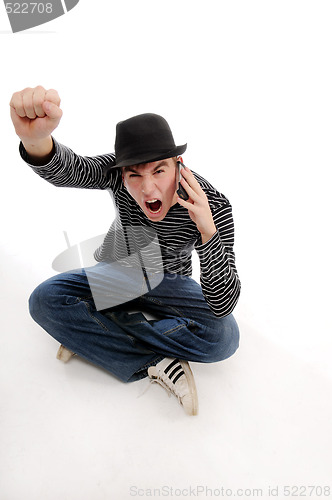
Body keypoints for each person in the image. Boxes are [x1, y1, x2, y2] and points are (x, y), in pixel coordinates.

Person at [10, 85, 241, 416]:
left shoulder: (213, 205)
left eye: (159, 170)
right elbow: (71, 168)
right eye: (135, 175)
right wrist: (35, 141)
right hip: (121, 272)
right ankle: (154, 360)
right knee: (44, 300)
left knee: (224, 338)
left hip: (170, 283)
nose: (148, 188)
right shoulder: (115, 175)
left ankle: (95, 332)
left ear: (179, 164)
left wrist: (208, 232)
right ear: (121, 172)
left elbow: (222, 303)